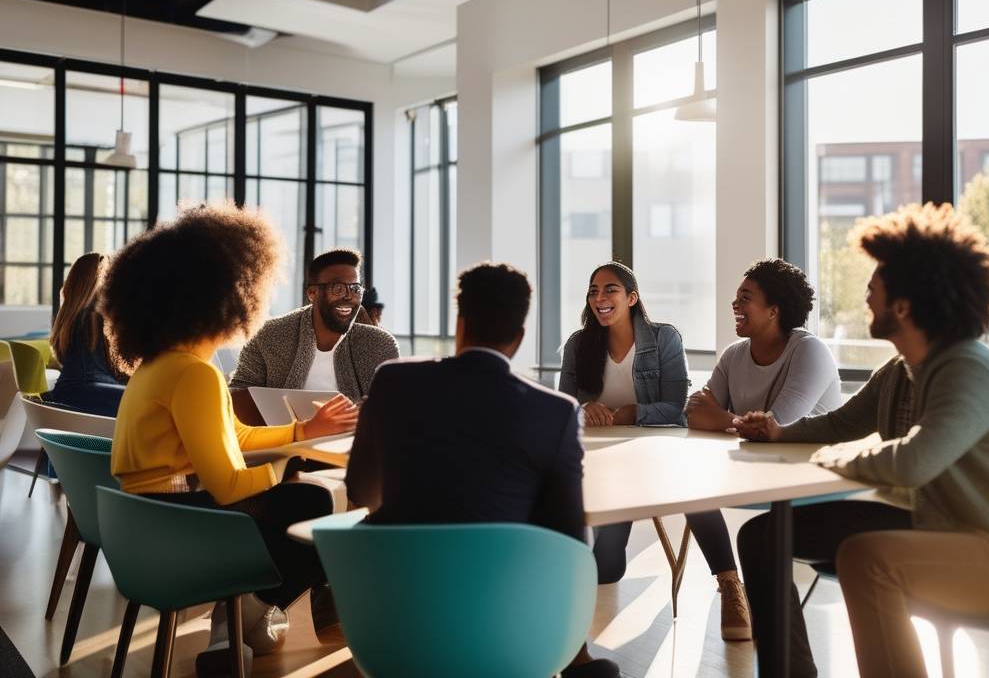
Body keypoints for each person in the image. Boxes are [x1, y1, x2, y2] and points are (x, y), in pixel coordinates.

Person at [731, 203, 989, 678]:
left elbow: (912, 463)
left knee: (866, 558)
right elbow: (842, 422)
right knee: (763, 536)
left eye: (876, 284)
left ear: (903, 306)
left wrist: (833, 457)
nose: (867, 294)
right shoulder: (900, 370)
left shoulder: (967, 368)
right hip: (935, 523)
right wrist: (782, 432)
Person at [103, 205, 358, 673]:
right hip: (183, 535)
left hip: (146, 528)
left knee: (300, 498)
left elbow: (230, 433)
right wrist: (290, 464)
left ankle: (241, 620)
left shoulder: (164, 364)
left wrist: (303, 431)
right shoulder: (194, 373)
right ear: (229, 295)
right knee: (317, 509)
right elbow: (226, 485)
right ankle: (240, 616)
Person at [346, 262, 619, 678]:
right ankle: (576, 655)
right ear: (520, 337)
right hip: (507, 631)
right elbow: (568, 538)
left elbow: (362, 488)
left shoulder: (392, 381)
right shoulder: (555, 411)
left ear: (460, 323)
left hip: (397, 622)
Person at [558, 261, 751, 641]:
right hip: (605, 466)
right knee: (607, 569)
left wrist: (630, 413)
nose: (600, 298)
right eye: (593, 290)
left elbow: (676, 407)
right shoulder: (578, 345)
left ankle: (729, 584)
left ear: (631, 298)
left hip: (659, 456)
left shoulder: (664, 339)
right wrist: (581, 409)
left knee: (694, 491)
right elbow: (561, 406)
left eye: (610, 289)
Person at [229, 249, 398, 420]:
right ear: (312, 293)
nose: (349, 296)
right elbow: (238, 394)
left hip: (352, 441)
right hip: (283, 441)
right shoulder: (268, 335)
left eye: (355, 289)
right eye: (338, 288)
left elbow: (392, 404)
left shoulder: (380, 344)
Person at [686, 258, 841, 431]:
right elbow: (694, 413)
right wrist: (734, 422)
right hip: (757, 457)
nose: (734, 304)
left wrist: (720, 418)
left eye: (745, 298)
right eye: (736, 297)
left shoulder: (811, 351)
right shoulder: (733, 355)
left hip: (809, 458)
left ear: (773, 311)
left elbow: (776, 427)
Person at [46, 252, 128, 417]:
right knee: (148, 400)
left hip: (66, 396)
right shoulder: (93, 316)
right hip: (88, 394)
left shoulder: (69, 316)